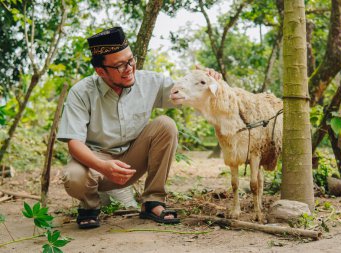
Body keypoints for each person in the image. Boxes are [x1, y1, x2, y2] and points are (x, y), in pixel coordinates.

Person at [57, 26, 220, 229]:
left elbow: (185, 90)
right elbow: (74, 144)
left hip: (132, 160)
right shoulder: (81, 92)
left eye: (130, 60)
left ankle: (153, 201)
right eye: (119, 66)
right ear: (100, 71)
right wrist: (103, 166)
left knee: (166, 125)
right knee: (73, 177)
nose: (129, 68)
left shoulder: (150, 81)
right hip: (96, 165)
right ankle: (89, 207)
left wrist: (207, 79)